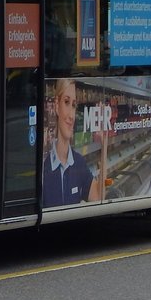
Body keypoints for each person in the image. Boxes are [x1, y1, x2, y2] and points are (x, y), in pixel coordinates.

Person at [42, 78, 99, 207]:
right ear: (56, 106)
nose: (72, 115)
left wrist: (104, 147)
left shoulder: (79, 163)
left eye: (73, 105)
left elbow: (97, 198)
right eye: (66, 102)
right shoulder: (44, 166)